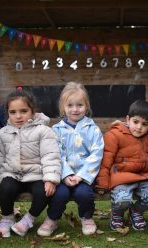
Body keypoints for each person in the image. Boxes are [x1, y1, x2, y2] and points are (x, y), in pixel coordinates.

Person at [0, 87, 61, 238]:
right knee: (6, 188)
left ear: (32, 112)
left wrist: (50, 179)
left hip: (35, 174)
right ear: (7, 113)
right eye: (13, 112)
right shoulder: (3, 133)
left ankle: (28, 219)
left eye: (23, 111)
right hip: (12, 173)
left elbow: (50, 156)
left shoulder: (43, 131)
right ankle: (7, 218)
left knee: (44, 192)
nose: (18, 116)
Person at [95, 100, 148, 231]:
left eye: (145, 124)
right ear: (128, 119)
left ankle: (136, 211)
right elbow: (105, 160)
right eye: (136, 122)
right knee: (122, 199)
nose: (139, 127)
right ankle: (117, 214)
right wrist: (102, 183)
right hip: (121, 177)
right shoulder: (114, 135)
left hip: (145, 177)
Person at [36, 82, 104, 237]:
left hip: (84, 176)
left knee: (84, 194)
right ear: (63, 107)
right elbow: (55, 154)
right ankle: (52, 218)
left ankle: (86, 217)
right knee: (59, 195)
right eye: (70, 105)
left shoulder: (92, 129)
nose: (75, 109)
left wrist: (80, 176)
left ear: (86, 106)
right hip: (62, 175)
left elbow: (97, 154)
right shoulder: (56, 131)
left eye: (79, 105)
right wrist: (65, 175)